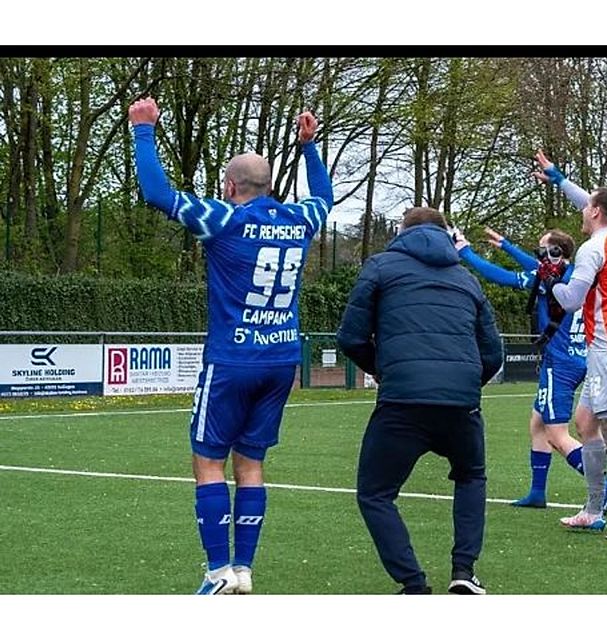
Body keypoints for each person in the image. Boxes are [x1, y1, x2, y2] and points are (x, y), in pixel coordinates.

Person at [129, 97, 333, 594]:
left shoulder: (224, 218)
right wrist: (309, 149)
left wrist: (142, 131)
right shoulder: (299, 220)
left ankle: (218, 570)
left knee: (207, 460)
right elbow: (323, 200)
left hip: (232, 359)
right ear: (269, 186)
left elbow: (157, 193)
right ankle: (243, 569)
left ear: (230, 186)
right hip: (282, 359)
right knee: (252, 464)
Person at [337, 207, 503, 595]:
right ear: (448, 234)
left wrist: (381, 369)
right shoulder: (467, 279)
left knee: (375, 493)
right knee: (471, 477)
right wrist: (465, 383)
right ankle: (464, 571)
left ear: (400, 231)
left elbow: (351, 336)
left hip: (402, 400)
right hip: (462, 404)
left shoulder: (380, 267)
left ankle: (412, 583)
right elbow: (492, 353)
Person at [533, 150, 607, 542]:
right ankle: (592, 510)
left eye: (588, 207)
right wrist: (557, 177)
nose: (582, 210)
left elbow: (569, 300)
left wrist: (550, 278)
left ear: (597, 213)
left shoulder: (591, 250)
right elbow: (589, 198)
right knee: (586, 424)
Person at [454, 227, 607, 511]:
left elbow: (502, 277)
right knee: (538, 424)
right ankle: (537, 492)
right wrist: (507, 245)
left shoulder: (547, 282)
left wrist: (465, 252)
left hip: (560, 362)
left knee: (557, 434)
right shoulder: (575, 274)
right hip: (577, 356)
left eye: (543, 251)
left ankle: (603, 487)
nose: (538, 256)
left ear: (556, 253)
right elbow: (537, 267)